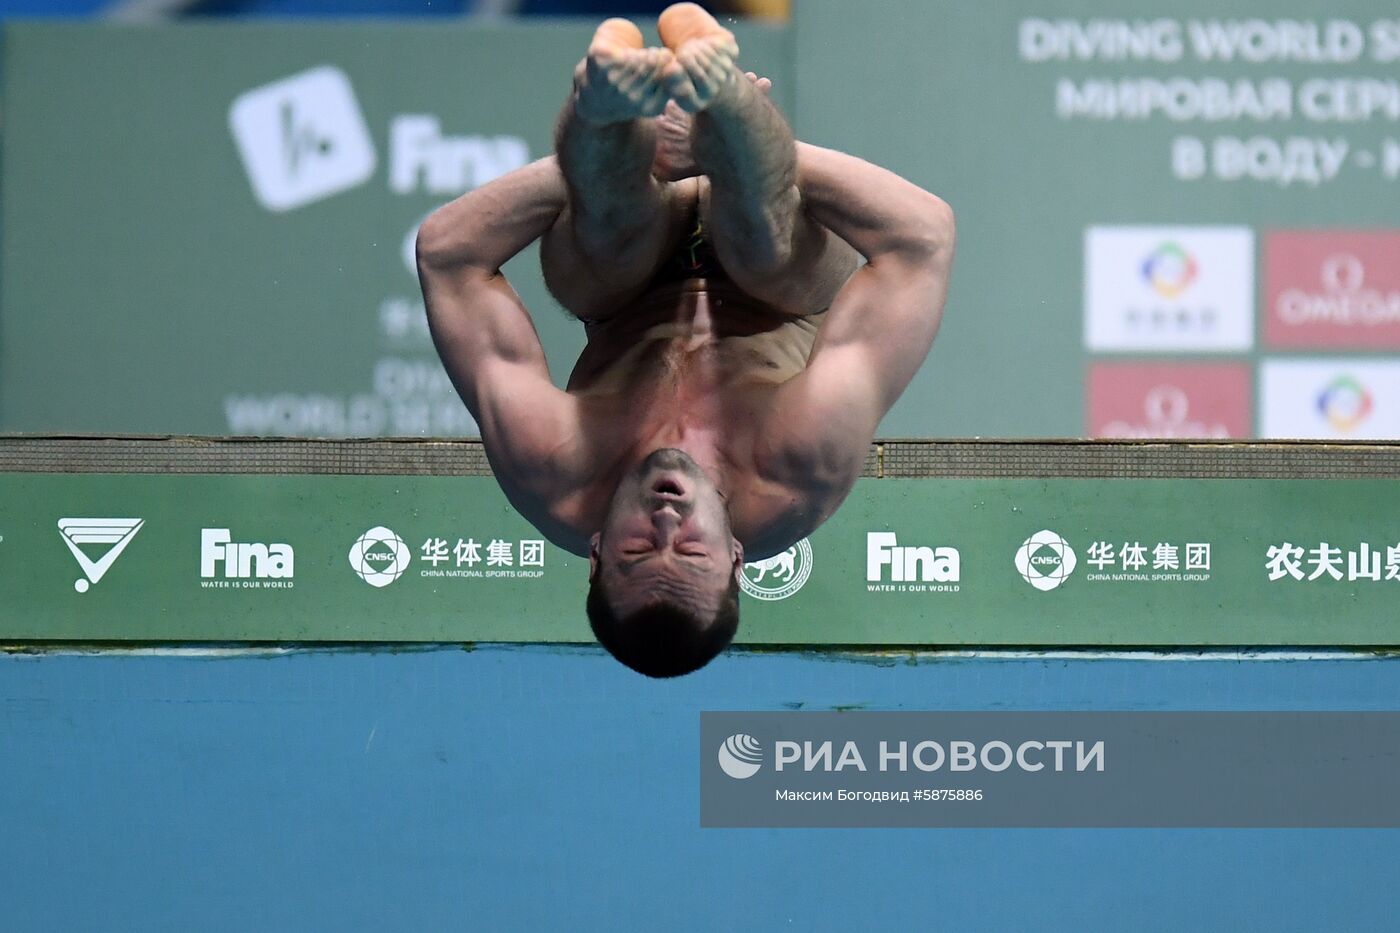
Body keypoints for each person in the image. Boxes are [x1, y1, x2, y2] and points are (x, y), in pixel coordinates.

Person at [416, 3, 954, 677]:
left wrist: (621, 160)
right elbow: (922, 239)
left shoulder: (551, 470)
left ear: (596, 554)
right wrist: (731, 154)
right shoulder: (799, 464)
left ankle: (605, 99)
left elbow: (448, 256)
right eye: (692, 553)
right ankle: (722, 94)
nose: (668, 524)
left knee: (607, 221)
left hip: (624, 288)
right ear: (734, 556)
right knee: (761, 239)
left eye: (641, 551)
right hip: (775, 292)